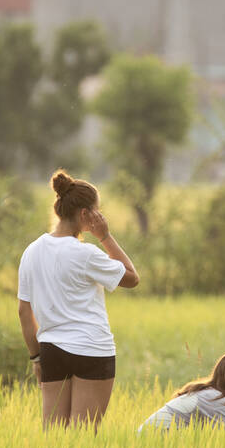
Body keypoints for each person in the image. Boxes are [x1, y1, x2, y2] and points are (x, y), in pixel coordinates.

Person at [18, 170, 139, 429]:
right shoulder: (85, 254)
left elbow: (23, 313)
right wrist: (105, 236)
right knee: (83, 437)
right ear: (85, 215)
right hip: (92, 348)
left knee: (56, 437)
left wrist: (36, 358)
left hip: (51, 350)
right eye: (97, 211)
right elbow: (131, 277)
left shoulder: (31, 252)